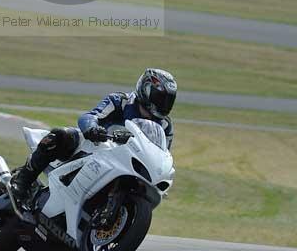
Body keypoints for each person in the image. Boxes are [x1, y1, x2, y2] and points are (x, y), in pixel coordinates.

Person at [10, 68, 177, 204]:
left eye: (168, 100)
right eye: (160, 98)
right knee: (60, 135)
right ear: (146, 90)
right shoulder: (121, 101)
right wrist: (92, 129)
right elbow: (90, 116)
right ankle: (23, 179)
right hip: (97, 148)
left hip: (129, 164)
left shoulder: (165, 126)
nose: (164, 104)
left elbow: (161, 154)